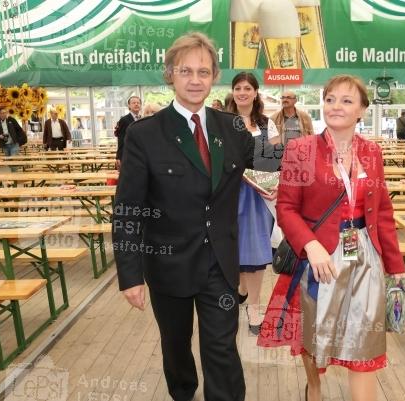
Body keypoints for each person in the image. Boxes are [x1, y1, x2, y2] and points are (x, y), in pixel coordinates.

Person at [112, 32, 280, 401]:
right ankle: (183, 394)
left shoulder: (232, 128)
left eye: (204, 72)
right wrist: (130, 275)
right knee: (176, 347)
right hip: (167, 264)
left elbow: (272, 165)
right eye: (185, 71)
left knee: (222, 348)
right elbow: (127, 209)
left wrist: (332, 141)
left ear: (214, 76)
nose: (195, 79)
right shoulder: (145, 134)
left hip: (219, 264)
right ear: (170, 74)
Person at [258, 75, 405, 401]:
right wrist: (310, 246)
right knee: (314, 335)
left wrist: (396, 268)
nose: (336, 106)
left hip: (363, 255)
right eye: (330, 99)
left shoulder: (372, 153)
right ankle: (314, 385)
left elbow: (382, 212)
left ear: (362, 111)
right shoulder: (300, 149)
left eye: (347, 100)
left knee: (365, 338)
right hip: (318, 259)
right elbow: (286, 208)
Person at [227, 71, 279, 335]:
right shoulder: (222, 121)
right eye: (238, 87)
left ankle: (254, 309)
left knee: (255, 251)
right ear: (232, 91)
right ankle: (243, 289)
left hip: (258, 196)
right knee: (234, 249)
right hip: (228, 194)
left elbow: (277, 159)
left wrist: (271, 182)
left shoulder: (266, 124)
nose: (243, 92)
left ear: (255, 92)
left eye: (248, 88)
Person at [115, 95, 142, 168]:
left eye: (138, 103)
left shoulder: (142, 118)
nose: (136, 104)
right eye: (133, 103)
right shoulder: (124, 120)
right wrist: (119, 156)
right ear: (129, 106)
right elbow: (121, 139)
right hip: (128, 153)